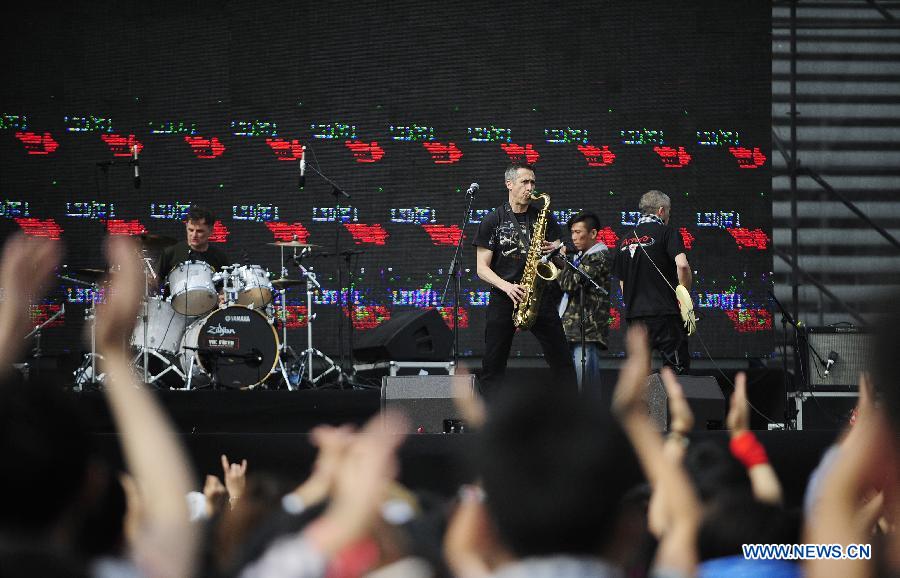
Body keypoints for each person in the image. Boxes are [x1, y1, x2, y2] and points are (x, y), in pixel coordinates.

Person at [472, 163, 577, 398]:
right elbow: (481, 268)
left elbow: (560, 262)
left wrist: (557, 251)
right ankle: (488, 417)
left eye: (532, 183)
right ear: (509, 184)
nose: (530, 188)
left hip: (539, 296)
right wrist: (507, 287)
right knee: (493, 365)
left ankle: (571, 413)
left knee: (562, 362)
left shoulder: (544, 216)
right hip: (504, 297)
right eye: (524, 182)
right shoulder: (492, 220)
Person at [613, 190, 693, 373]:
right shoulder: (668, 233)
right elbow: (682, 265)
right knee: (676, 371)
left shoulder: (624, 240)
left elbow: (622, 282)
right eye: (669, 212)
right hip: (666, 314)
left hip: (635, 316)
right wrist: (684, 298)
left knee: (639, 374)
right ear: (661, 211)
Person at [555, 211, 612, 391]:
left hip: (586, 330)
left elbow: (570, 284)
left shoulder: (599, 255)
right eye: (572, 232)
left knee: (585, 385)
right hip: (572, 329)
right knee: (574, 384)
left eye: (578, 232)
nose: (574, 237)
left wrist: (561, 261)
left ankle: (589, 410)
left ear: (593, 233)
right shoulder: (580, 257)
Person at [157, 204, 230, 289]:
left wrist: (223, 294)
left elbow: (226, 288)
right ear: (186, 227)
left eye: (199, 231)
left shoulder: (219, 257)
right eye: (191, 230)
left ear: (211, 231)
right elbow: (154, 284)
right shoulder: (170, 254)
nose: (194, 235)